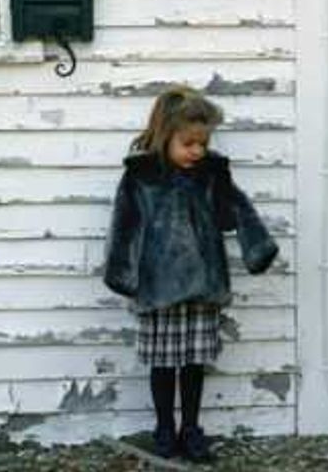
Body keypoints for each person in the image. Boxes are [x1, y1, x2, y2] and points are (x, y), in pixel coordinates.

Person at [103, 86, 279, 460]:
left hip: (203, 285)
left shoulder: (211, 174)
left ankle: (192, 428)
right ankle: (165, 428)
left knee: (194, 362)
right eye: (188, 143)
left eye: (203, 143)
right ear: (165, 136)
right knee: (163, 363)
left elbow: (236, 213)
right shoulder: (141, 176)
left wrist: (257, 246)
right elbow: (125, 225)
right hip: (159, 288)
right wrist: (121, 273)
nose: (197, 151)